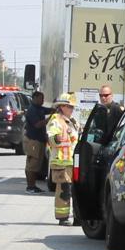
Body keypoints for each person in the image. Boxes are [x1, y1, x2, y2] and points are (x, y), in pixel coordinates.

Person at [46, 93, 79, 226]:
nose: (72, 109)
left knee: (72, 190)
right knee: (64, 190)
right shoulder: (56, 120)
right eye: (69, 107)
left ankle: (76, 217)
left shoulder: (71, 121)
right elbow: (51, 137)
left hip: (71, 161)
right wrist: (56, 138)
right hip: (61, 162)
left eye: (72, 107)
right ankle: (62, 216)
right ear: (62, 107)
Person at [23, 91, 51, 194]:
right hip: (33, 141)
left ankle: (33, 186)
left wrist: (56, 109)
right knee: (32, 165)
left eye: (43, 98)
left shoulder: (39, 108)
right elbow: (37, 125)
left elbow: (48, 110)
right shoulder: (32, 110)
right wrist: (49, 119)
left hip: (39, 140)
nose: (42, 101)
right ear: (34, 98)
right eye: (41, 98)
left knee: (36, 165)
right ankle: (30, 187)